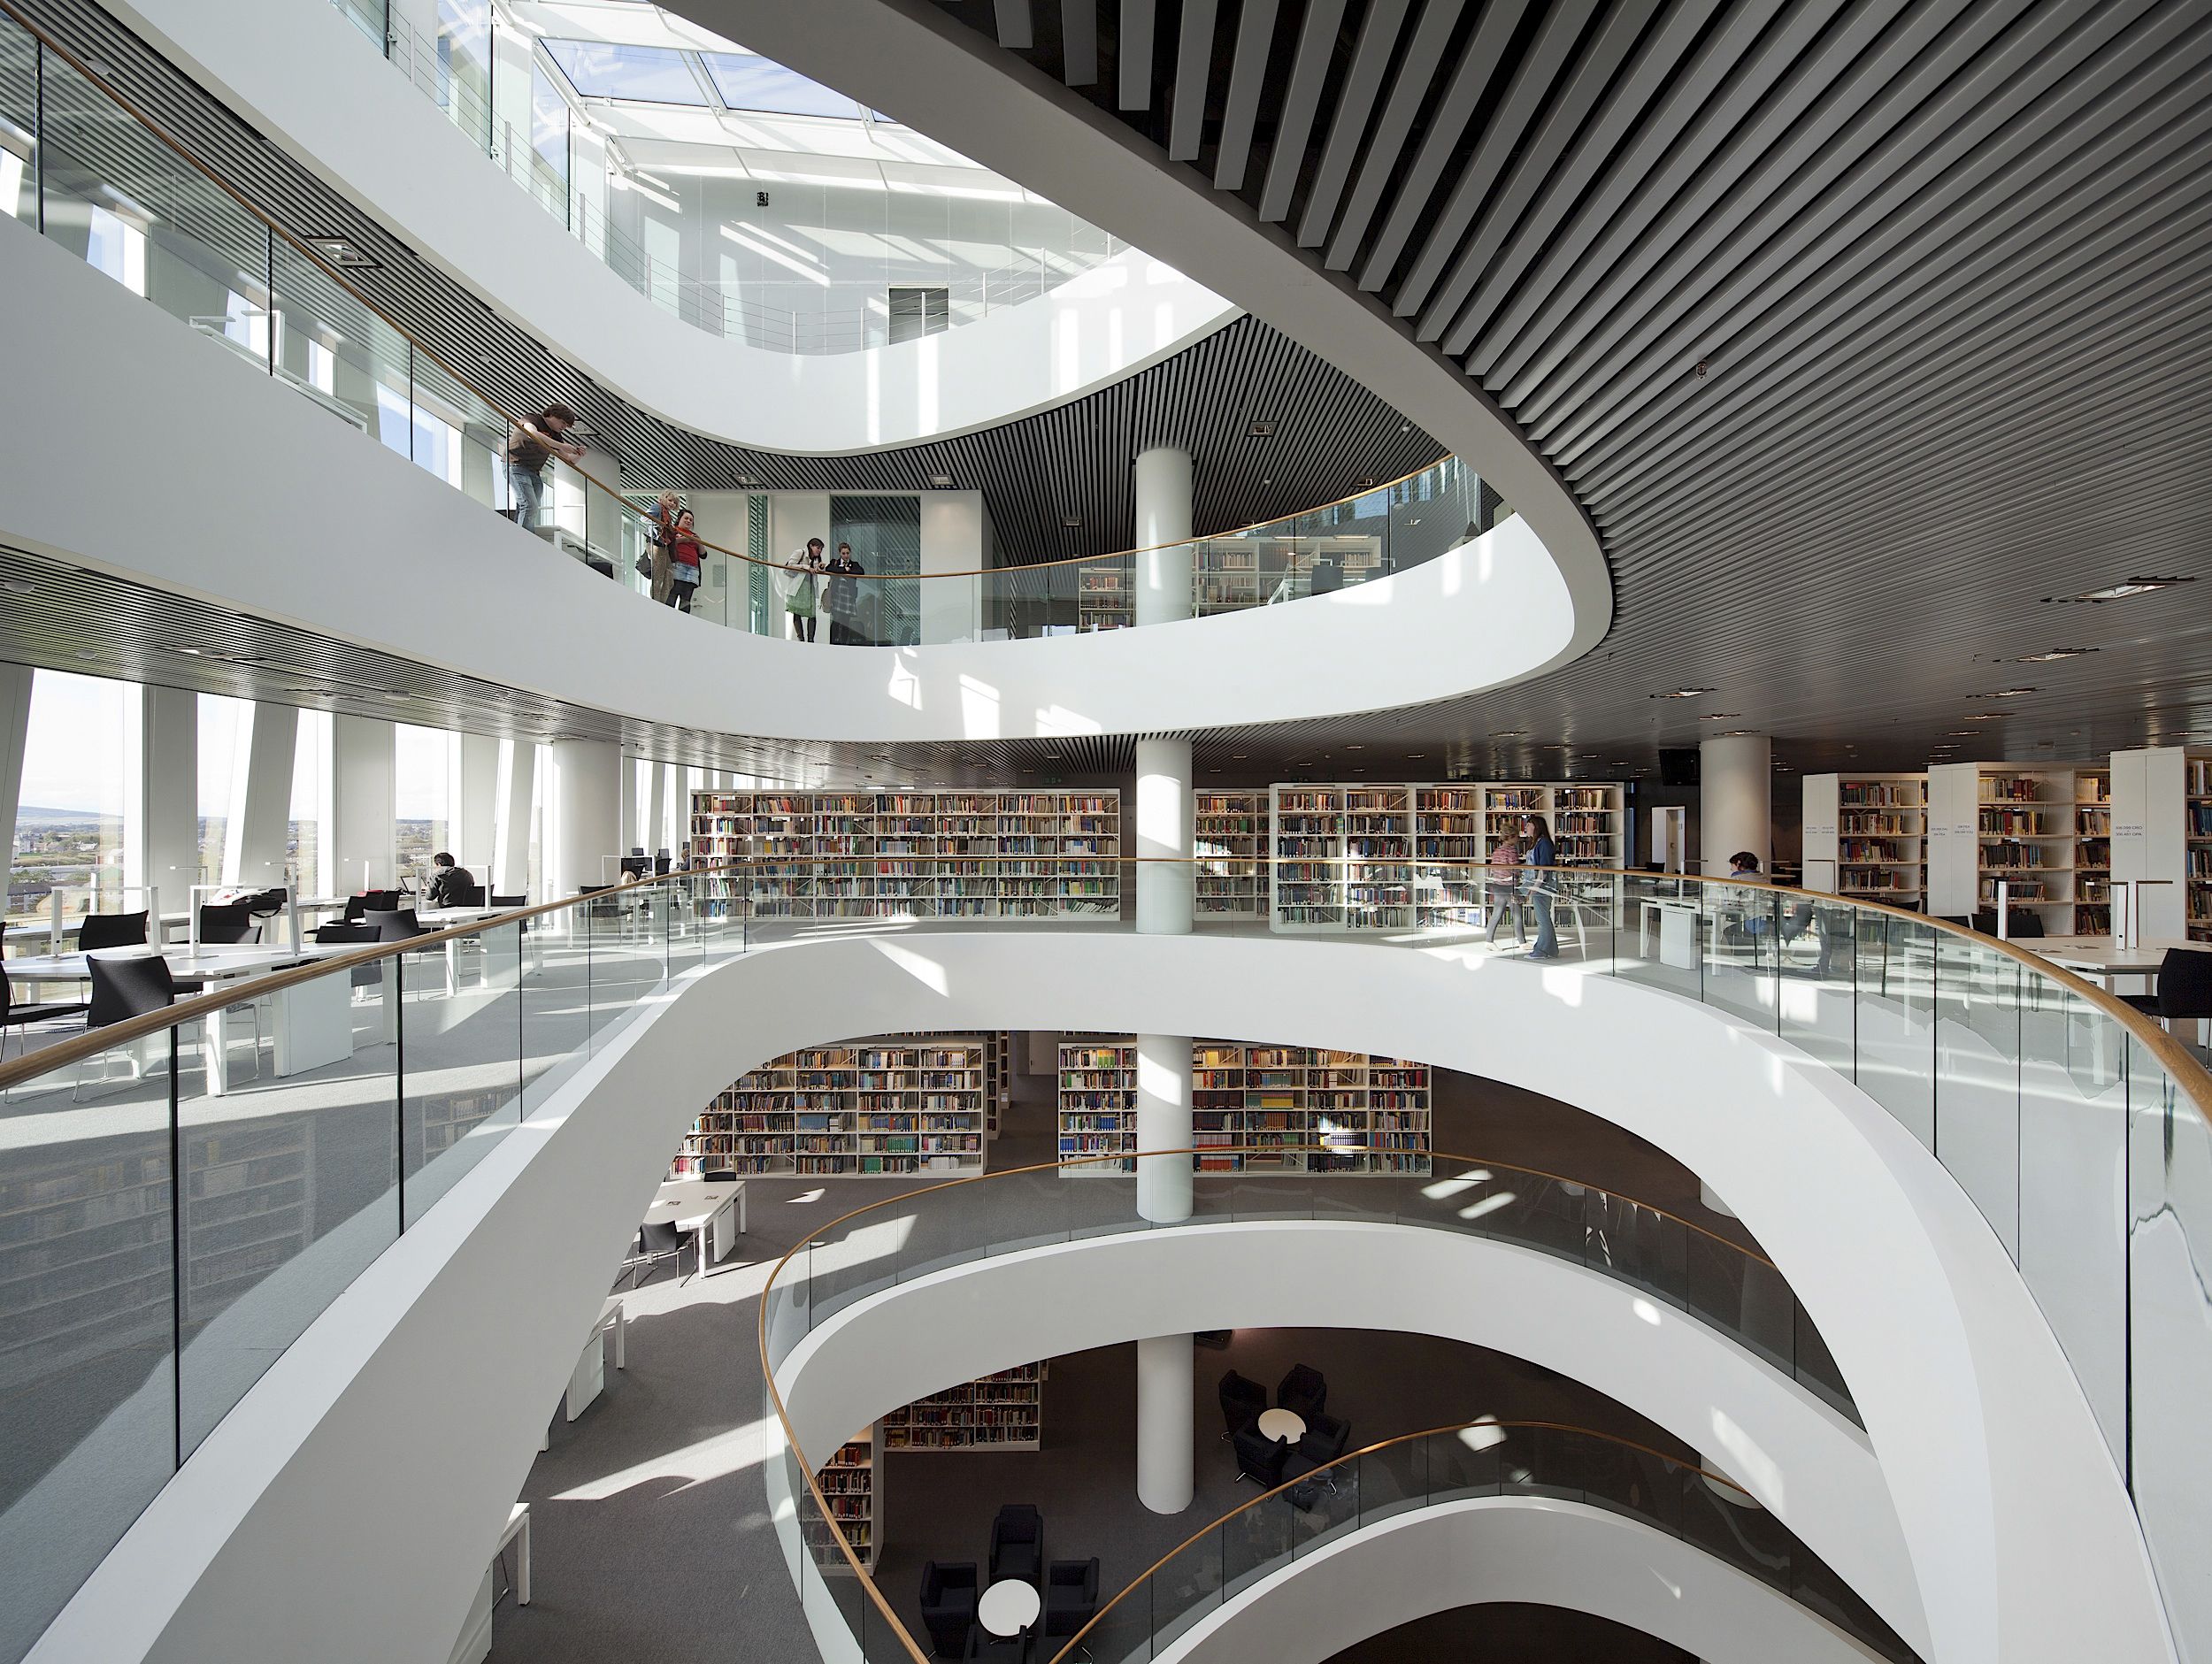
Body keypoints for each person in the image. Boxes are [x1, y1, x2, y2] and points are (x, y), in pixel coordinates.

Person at [503, 403, 586, 531]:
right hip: (515, 465)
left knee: (527, 507)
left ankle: (519, 535)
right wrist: (561, 446)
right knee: (529, 506)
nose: (564, 427)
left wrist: (579, 455)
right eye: (562, 422)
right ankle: (524, 539)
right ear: (552, 415)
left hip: (534, 472)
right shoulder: (533, 418)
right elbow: (531, 433)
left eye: (566, 425)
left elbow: (568, 459)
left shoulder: (556, 435)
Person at [1521, 814, 1559, 960]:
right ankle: (1552, 949)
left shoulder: (1544, 844)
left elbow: (1543, 869)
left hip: (1543, 886)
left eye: (1529, 825)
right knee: (1543, 918)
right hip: (1536, 884)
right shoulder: (1537, 843)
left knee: (1542, 919)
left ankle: (1541, 950)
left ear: (1536, 827)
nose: (1526, 828)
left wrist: (1534, 888)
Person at [1484, 831, 1524, 947]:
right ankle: (1522, 941)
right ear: (1510, 837)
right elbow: (1514, 868)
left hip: (1497, 885)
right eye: (1517, 836)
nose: (1518, 839)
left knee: (1497, 912)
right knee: (1517, 914)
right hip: (1510, 885)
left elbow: (1493, 868)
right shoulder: (1511, 850)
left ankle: (1489, 940)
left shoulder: (1497, 850)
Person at [780, 539, 825, 641]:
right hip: (799, 586)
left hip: (809, 587)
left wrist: (821, 568)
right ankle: (801, 638)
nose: (819, 551)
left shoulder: (816, 559)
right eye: (818, 548)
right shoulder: (800, 553)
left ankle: (810, 639)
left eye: (821, 549)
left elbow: (817, 571)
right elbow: (790, 565)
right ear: (811, 546)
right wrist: (806, 567)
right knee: (797, 611)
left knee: (812, 614)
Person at [823, 541, 866, 645]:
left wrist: (847, 570)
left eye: (847, 553)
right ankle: (833, 643)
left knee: (846, 621)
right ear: (840, 553)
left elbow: (860, 572)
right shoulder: (835, 562)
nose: (846, 555)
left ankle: (844, 644)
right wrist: (843, 569)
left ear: (850, 553)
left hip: (848, 595)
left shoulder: (854, 564)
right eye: (843, 553)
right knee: (837, 619)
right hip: (837, 594)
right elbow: (830, 569)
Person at [664, 508, 703, 613]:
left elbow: (703, 554)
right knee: (672, 595)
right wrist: (684, 539)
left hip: (693, 570)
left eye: (691, 520)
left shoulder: (694, 536)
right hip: (677, 565)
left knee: (686, 600)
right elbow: (668, 543)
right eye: (686, 518)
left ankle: (684, 624)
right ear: (679, 519)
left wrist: (699, 542)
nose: (688, 521)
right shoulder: (673, 530)